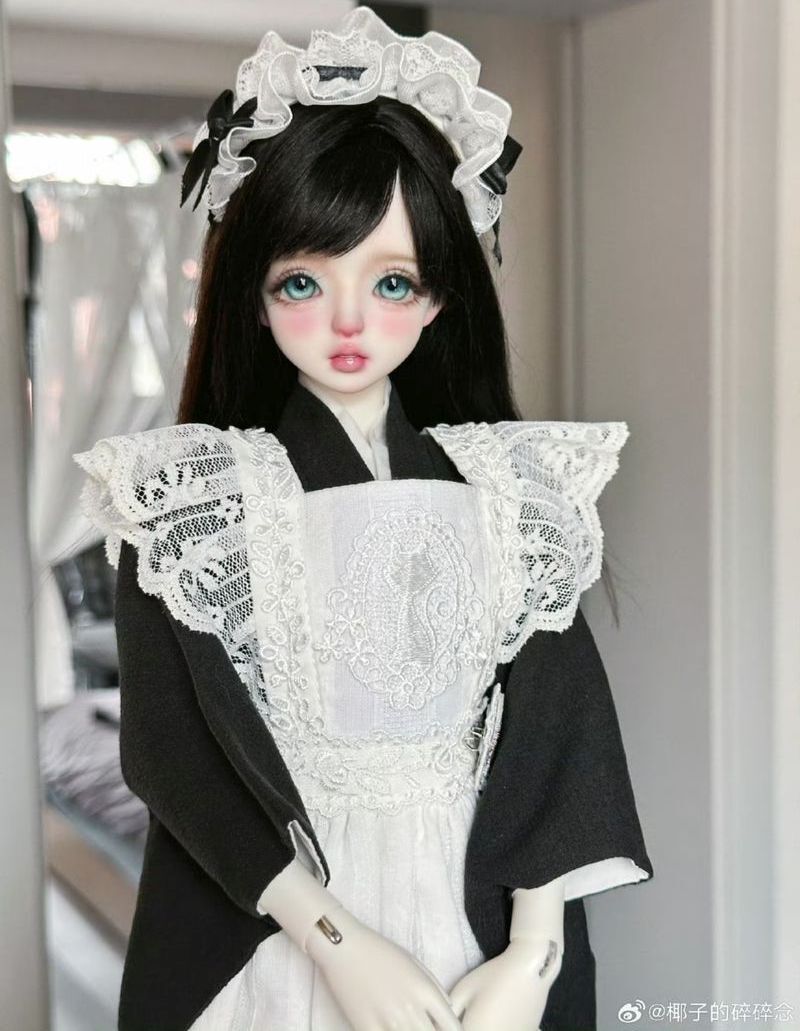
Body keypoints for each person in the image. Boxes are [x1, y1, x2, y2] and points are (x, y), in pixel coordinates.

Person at [73, 8, 653, 1030]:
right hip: (290, 918)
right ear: (253, 297)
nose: (349, 319)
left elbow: (558, 730)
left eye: (391, 281)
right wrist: (334, 939)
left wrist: (537, 947)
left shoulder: (514, 488)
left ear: (438, 298)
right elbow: (170, 752)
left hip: (473, 909)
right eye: (303, 280)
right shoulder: (191, 498)